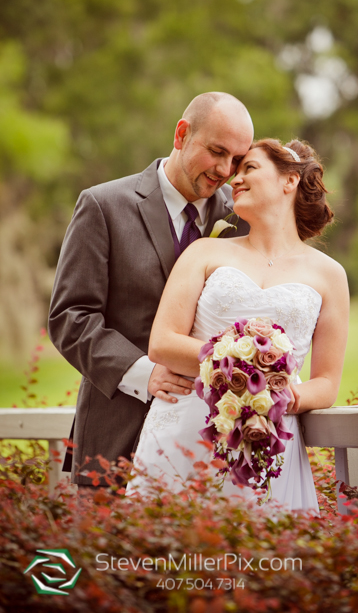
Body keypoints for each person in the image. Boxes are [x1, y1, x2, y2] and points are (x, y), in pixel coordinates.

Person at [128, 138, 349, 511]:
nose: (235, 180)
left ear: (289, 180)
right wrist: (238, 363)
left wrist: (277, 395)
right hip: (185, 428)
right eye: (236, 172)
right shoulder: (204, 252)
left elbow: (326, 383)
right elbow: (162, 343)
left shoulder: (330, 274)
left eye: (249, 168)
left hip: (265, 437)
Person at [48, 92, 255, 488]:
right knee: (106, 552)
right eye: (217, 151)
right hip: (114, 441)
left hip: (212, 451)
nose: (225, 170)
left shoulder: (241, 215)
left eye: (237, 159)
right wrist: (144, 374)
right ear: (181, 134)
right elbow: (70, 319)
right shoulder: (102, 205)